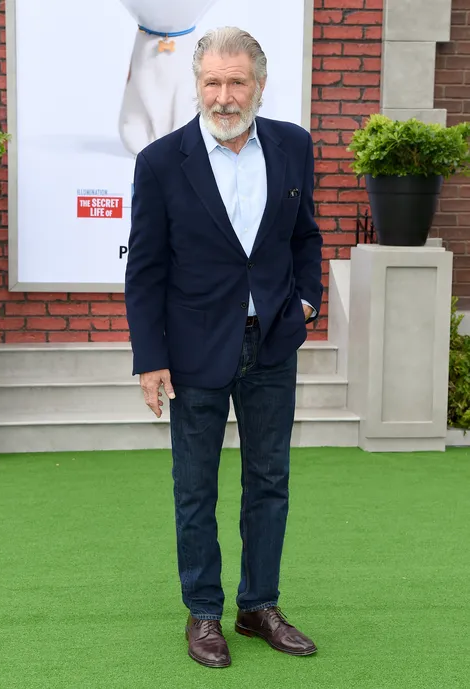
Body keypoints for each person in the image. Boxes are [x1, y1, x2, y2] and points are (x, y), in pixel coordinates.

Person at [125, 26, 323, 669]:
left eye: (238, 81)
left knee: (271, 481)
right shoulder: (160, 162)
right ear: (197, 85)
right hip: (193, 350)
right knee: (195, 488)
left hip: (271, 345)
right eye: (212, 81)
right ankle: (204, 612)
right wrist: (150, 358)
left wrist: (307, 298)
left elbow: (306, 237)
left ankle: (258, 604)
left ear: (259, 86)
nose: (224, 95)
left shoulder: (293, 147)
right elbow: (146, 270)